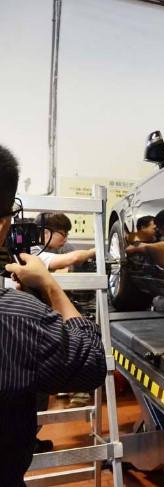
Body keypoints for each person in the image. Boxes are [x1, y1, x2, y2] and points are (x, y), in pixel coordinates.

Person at [0, 145, 106, 484]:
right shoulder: (20, 316)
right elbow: (93, 362)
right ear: (3, 225)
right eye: (62, 233)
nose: (65, 239)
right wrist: (49, 285)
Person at [31, 213, 95, 272]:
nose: (65, 239)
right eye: (63, 234)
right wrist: (91, 252)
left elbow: (76, 264)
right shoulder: (32, 251)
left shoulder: (64, 247)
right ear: (45, 232)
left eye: (67, 235)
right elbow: (75, 258)